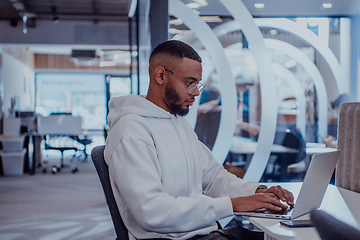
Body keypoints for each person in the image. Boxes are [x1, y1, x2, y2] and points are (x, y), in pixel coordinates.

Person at [104, 40, 294, 240]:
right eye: (189, 82)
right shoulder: (131, 132)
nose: (196, 92)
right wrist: (234, 204)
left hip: (202, 233)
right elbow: (152, 211)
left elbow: (214, 178)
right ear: (160, 75)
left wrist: (257, 191)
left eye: (198, 84)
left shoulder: (178, 123)